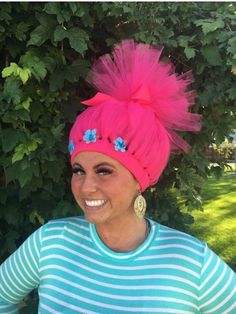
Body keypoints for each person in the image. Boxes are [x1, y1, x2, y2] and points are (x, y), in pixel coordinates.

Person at [0, 40, 235, 314]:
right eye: (79, 170)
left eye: (104, 171)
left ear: (141, 178)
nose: (86, 187)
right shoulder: (51, 242)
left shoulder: (192, 263)